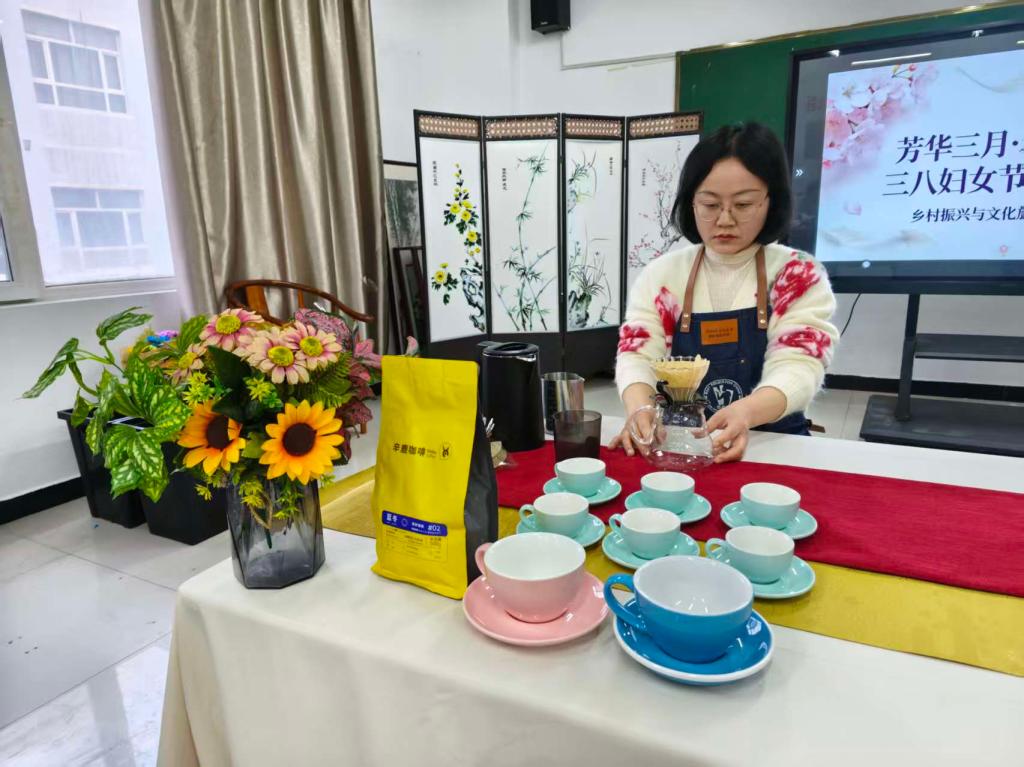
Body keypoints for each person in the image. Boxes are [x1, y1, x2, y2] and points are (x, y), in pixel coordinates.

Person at [611, 122, 839, 463]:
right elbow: (637, 355)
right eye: (710, 204)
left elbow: (800, 364)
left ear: (771, 202)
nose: (725, 220)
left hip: (771, 443)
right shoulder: (663, 275)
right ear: (691, 203)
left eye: (743, 205)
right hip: (682, 444)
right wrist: (640, 409)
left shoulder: (796, 273)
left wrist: (747, 412)